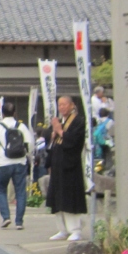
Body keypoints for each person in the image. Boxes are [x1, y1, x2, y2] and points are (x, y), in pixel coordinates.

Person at [45, 95, 87, 240]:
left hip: (70, 166)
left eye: (64, 104)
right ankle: (62, 229)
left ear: (72, 105)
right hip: (58, 165)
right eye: (59, 105)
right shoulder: (61, 121)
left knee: (70, 198)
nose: (61, 107)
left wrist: (60, 131)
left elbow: (74, 142)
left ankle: (75, 230)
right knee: (57, 198)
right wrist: (53, 135)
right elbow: (53, 144)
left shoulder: (78, 121)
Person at [0, 102, 33, 230]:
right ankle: (19, 222)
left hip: (4, 163)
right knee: (20, 191)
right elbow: (30, 144)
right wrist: (24, 154)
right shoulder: (21, 126)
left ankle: (6, 216)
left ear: (2, 113)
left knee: (1, 189)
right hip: (20, 162)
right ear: (15, 113)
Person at [92, 107, 113, 173]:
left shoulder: (97, 123)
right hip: (100, 148)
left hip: (93, 148)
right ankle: (99, 172)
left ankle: (96, 172)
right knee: (101, 162)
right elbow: (101, 141)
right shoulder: (110, 122)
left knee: (96, 162)